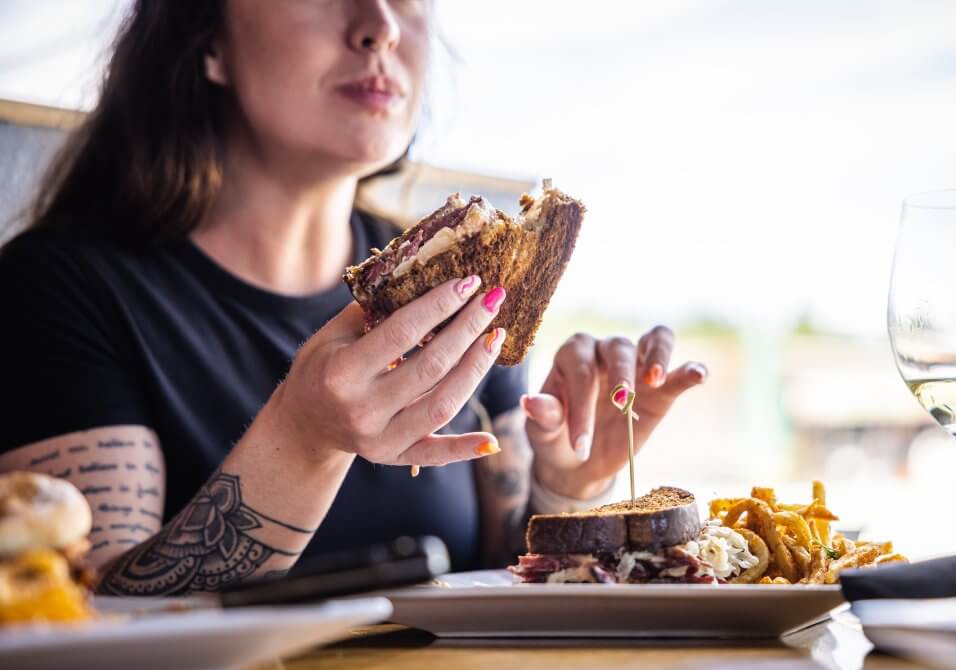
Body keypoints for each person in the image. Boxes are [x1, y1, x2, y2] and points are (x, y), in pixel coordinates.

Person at [0, 0, 706, 596]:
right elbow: (82, 623)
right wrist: (303, 441)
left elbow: (497, 576)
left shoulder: (468, 282)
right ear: (208, 41)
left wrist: (567, 486)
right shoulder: (57, 290)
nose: (379, 26)